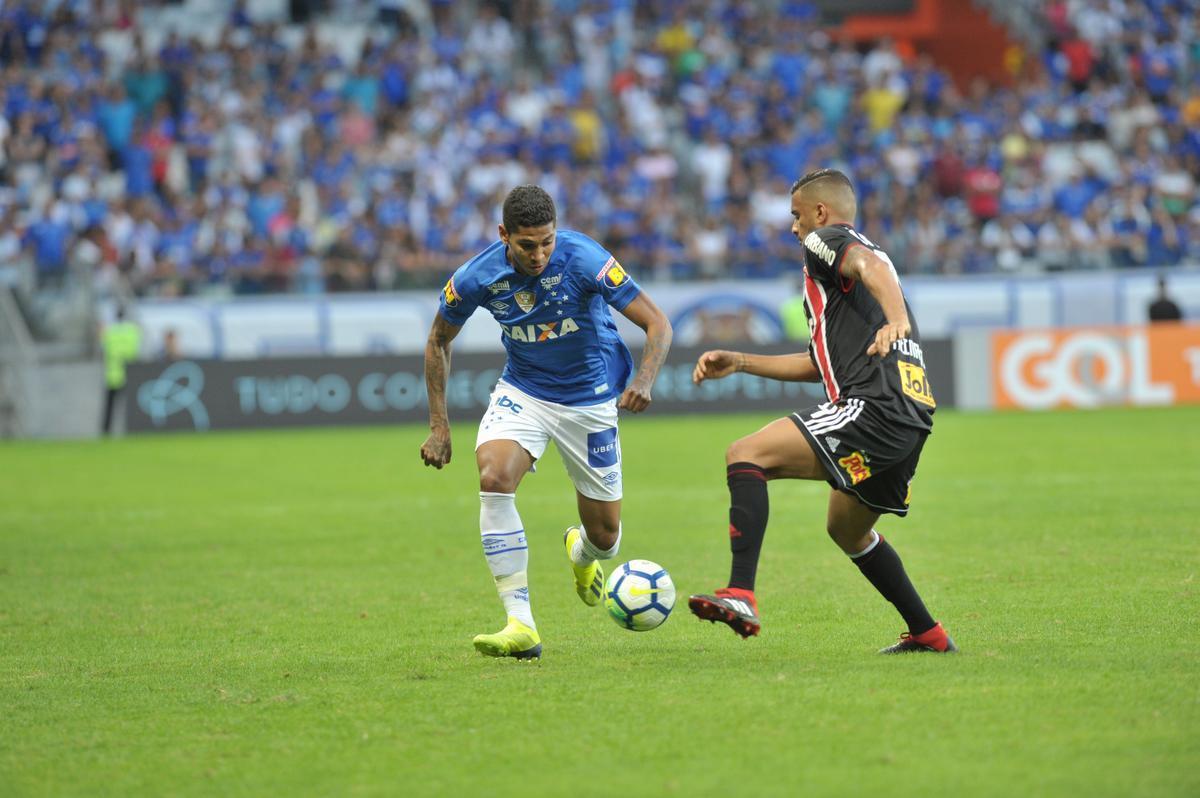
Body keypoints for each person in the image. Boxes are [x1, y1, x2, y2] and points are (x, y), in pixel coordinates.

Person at [687, 169, 956, 654]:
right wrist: (743, 361)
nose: (793, 227)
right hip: (910, 414)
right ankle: (928, 635)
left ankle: (741, 594)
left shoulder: (826, 242)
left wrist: (897, 320)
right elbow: (822, 363)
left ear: (820, 212)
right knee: (846, 528)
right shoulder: (853, 274)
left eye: (795, 215)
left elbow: (868, 265)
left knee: (746, 454)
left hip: (875, 406)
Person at [420, 185, 673, 660]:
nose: (539, 255)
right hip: (524, 391)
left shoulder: (584, 258)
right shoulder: (477, 276)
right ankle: (521, 623)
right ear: (504, 236)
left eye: (547, 242)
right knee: (493, 478)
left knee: (605, 538)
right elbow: (438, 340)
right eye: (527, 245)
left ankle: (581, 553)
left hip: (591, 400)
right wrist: (439, 425)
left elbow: (658, 323)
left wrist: (644, 378)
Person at [100, 306, 143, 435]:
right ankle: (133, 428)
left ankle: (106, 431)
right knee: (131, 406)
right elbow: (135, 351)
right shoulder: (132, 331)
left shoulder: (109, 332)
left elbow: (104, 349)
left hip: (112, 374)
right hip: (128, 373)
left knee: (110, 407)